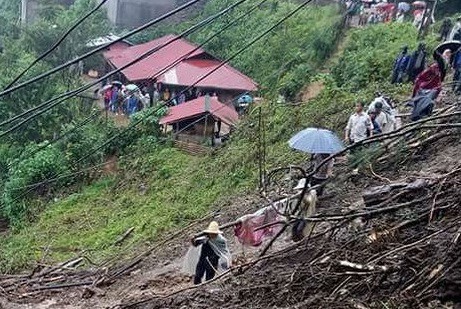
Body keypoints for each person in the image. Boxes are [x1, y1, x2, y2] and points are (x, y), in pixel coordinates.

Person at [345, 101, 374, 174]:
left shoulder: (366, 116)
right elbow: (348, 127)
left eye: (358, 106)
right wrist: (346, 136)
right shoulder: (352, 117)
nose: (356, 108)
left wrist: (370, 136)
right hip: (353, 138)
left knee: (359, 154)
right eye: (356, 106)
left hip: (361, 139)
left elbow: (370, 127)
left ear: (362, 107)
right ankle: (352, 168)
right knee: (352, 154)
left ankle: (358, 169)